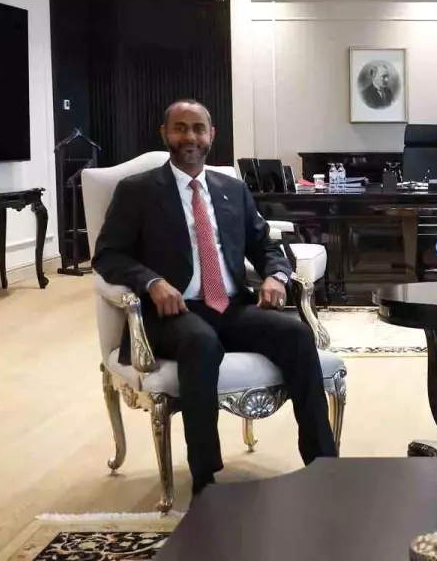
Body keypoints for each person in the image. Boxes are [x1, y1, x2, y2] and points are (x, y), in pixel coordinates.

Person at [93, 99, 337, 495]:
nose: (190, 136)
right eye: (180, 128)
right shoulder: (137, 191)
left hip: (231, 306)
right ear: (164, 134)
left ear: (212, 135)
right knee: (201, 343)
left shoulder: (232, 190)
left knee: (295, 334)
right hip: (172, 314)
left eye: (198, 129)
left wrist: (276, 276)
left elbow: (266, 245)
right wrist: (152, 281)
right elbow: (107, 255)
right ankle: (205, 482)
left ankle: (323, 464)